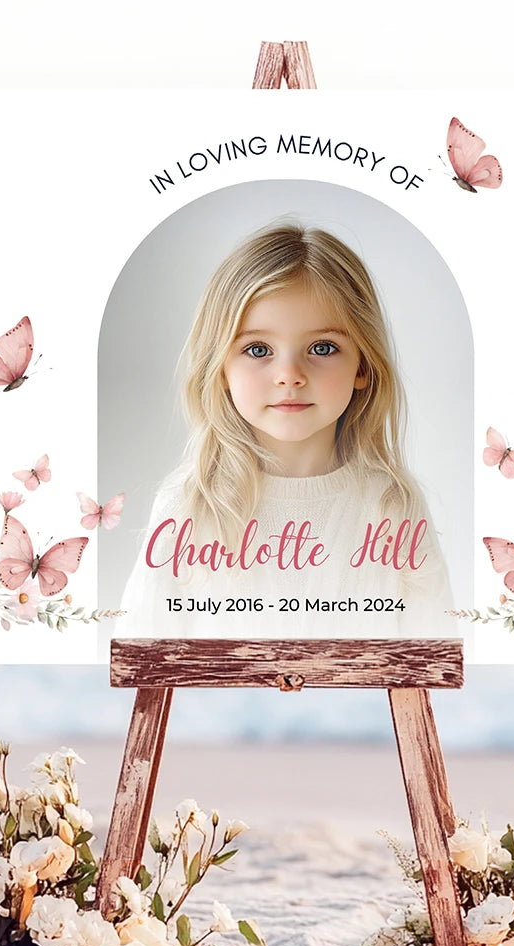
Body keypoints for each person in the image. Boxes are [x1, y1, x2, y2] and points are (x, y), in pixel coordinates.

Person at [118, 221, 457, 638]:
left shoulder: (394, 507)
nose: (289, 375)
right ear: (220, 368)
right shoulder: (187, 508)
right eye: (258, 350)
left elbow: (432, 661)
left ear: (363, 367)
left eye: (322, 348)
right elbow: (146, 662)